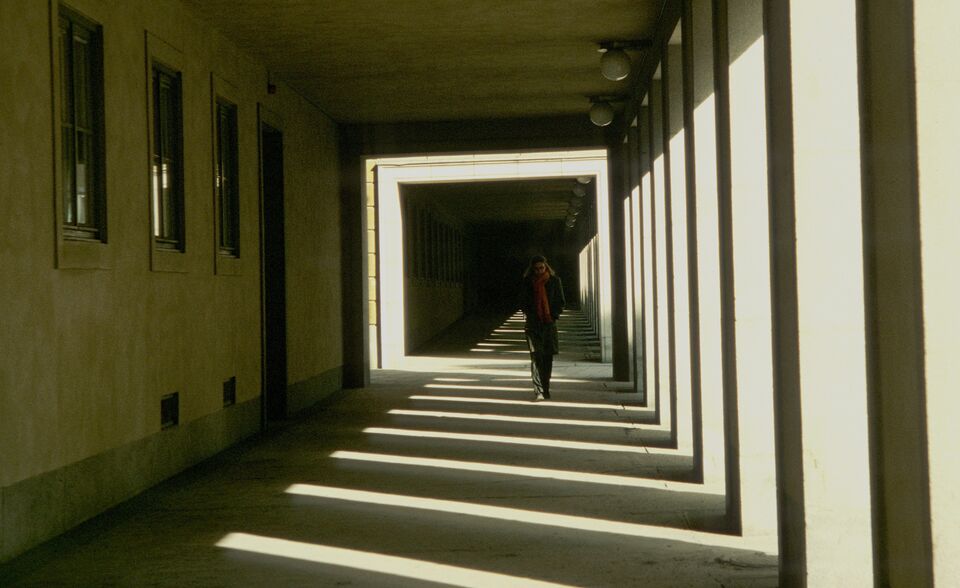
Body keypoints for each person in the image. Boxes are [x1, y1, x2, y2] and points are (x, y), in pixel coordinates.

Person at [518, 255, 565, 401]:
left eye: (542, 268)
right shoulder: (527, 282)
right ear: (532, 269)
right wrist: (531, 314)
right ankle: (538, 390)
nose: (539, 271)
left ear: (546, 267)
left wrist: (553, 315)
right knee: (536, 356)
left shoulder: (554, 281)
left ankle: (546, 387)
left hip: (549, 325)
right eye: (536, 269)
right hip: (533, 326)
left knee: (547, 358)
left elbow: (560, 301)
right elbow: (522, 301)